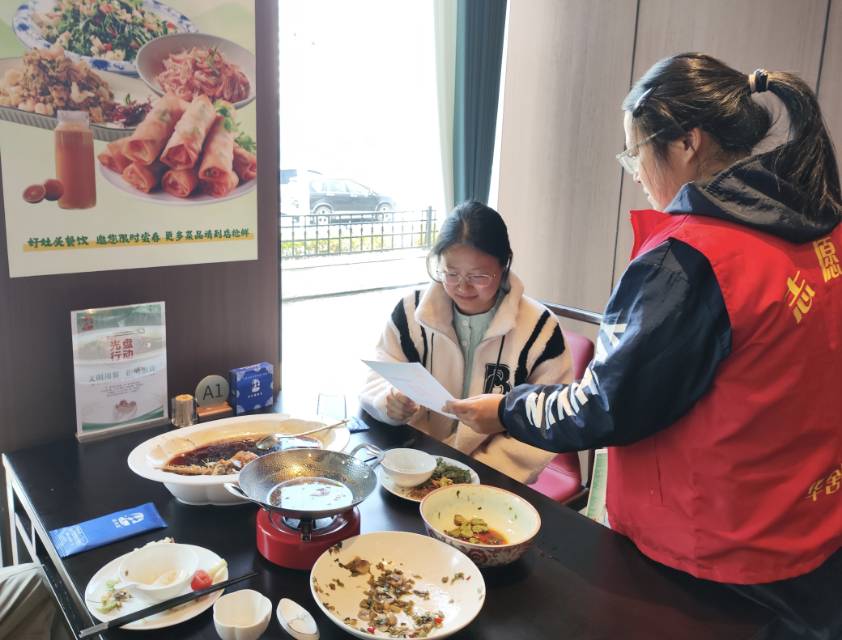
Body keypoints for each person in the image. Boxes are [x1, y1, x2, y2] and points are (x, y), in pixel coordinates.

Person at [445, 54, 842, 639]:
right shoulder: (820, 233)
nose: (634, 173)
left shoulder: (693, 259)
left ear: (686, 142)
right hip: (812, 536)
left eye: (634, 153)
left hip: (712, 561)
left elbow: (604, 406)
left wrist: (506, 409)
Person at [359, 201, 573, 483]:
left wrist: (474, 473)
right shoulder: (411, 313)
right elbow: (379, 373)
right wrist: (390, 402)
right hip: (414, 464)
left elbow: (550, 416)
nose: (462, 286)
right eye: (451, 273)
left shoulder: (540, 329)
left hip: (494, 478)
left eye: (478, 276)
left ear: (504, 265)